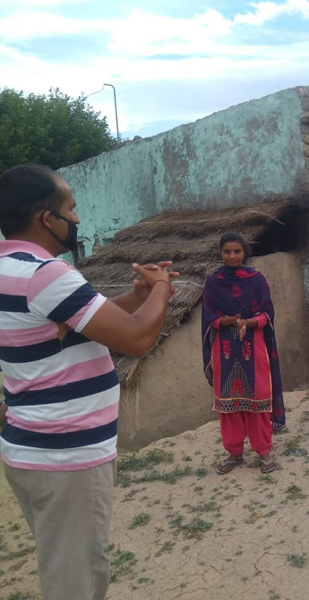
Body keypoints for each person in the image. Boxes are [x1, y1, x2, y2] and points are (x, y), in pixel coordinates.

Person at [0, 164, 174, 600]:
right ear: (47, 219)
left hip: (29, 448)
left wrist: (135, 297)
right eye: (71, 209)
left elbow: (67, 325)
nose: (77, 219)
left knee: (62, 561)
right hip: (68, 456)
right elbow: (137, 339)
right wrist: (161, 291)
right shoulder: (47, 275)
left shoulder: (11, 271)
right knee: (74, 582)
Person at [202, 232, 285, 475]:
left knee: (258, 399)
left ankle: (264, 452)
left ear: (244, 252)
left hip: (253, 345)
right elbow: (208, 317)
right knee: (228, 403)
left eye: (237, 251)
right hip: (225, 350)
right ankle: (234, 452)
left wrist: (249, 323)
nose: (232, 256)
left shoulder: (257, 280)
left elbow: (268, 313)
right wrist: (225, 321)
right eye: (227, 251)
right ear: (220, 252)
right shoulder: (213, 281)